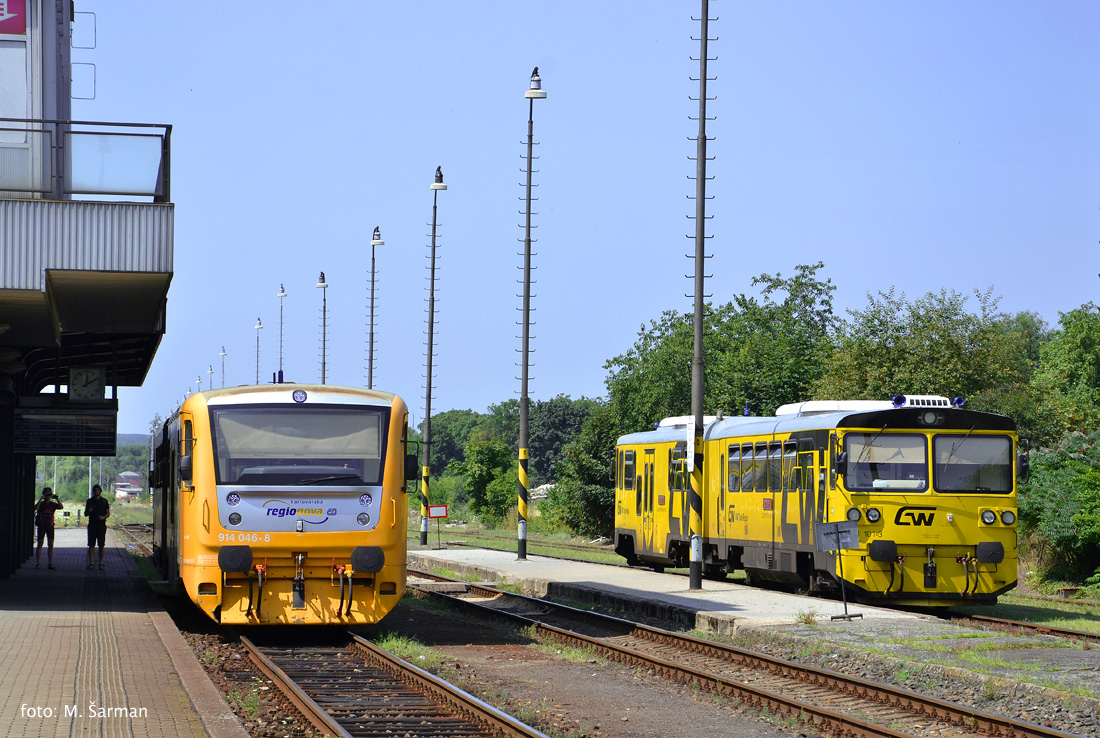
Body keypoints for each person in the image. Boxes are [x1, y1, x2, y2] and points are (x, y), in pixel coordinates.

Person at [34, 487, 63, 569]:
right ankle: (38, 563)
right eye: (46, 494)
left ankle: (50, 563)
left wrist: (57, 498)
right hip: (41, 525)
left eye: (49, 494)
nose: (48, 496)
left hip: (50, 526)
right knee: (40, 544)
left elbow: (61, 506)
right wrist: (41, 499)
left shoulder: (52, 504)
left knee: (51, 544)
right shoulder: (41, 504)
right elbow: (35, 507)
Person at [84, 484, 110, 570]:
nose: (96, 491)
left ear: (100, 491)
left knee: (101, 545)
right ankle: (91, 563)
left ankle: (101, 563)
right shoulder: (89, 501)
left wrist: (103, 517)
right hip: (92, 525)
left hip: (101, 525)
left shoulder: (104, 501)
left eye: (98, 490)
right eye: (95, 490)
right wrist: (89, 510)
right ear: (93, 491)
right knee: (91, 545)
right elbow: (85, 514)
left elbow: (108, 513)